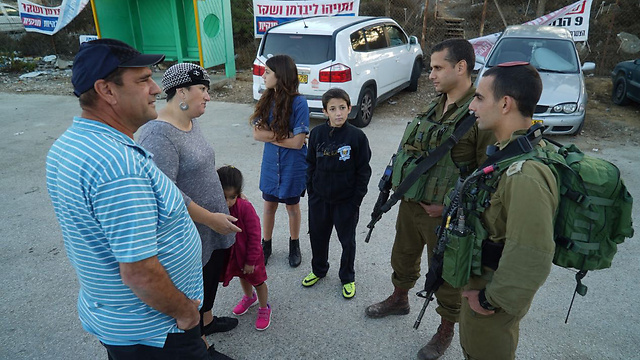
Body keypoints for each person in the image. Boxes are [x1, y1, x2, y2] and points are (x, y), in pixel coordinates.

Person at [45, 39, 212, 359]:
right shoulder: (116, 165)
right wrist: (187, 315)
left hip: (120, 322)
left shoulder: (69, 144)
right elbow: (139, 271)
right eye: (142, 80)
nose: (155, 88)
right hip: (157, 332)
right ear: (107, 90)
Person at [364, 38, 495, 360]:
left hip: (447, 215)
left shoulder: (478, 113)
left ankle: (445, 329)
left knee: (449, 274)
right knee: (403, 255)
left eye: (438, 67)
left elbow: (486, 174)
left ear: (461, 67)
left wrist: (451, 206)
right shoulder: (433, 105)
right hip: (412, 203)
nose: (431, 75)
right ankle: (400, 298)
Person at [456, 62, 558, 360]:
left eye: (478, 98)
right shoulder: (508, 153)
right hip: (482, 284)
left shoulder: (525, 173)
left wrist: (489, 301)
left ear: (504, 103)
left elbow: (533, 253)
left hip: (492, 298)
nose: (472, 106)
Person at [137, 63, 241, 351]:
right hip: (192, 230)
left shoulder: (191, 120)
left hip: (211, 224)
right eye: (203, 90)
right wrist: (209, 219)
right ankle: (202, 345)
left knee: (210, 279)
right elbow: (166, 193)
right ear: (181, 92)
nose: (208, 96)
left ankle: (206, 320)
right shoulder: (158, 134)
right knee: (193, 288)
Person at [301, 88, 372, 299]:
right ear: (325, 112)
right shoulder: (316, 134)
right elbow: (310, 163)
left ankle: (347, 276)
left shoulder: (357, 137)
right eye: (333, 109)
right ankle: (318, 269)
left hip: (346, 202)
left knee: (347, 241)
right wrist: (312, 190)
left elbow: (364, 171)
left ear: (350, 109)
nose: (338, 113)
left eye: (342, 108)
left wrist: (356, 200)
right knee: (318, 236)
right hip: (320, 199)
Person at [251, 54, 310, 268]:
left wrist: (273, 136)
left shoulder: (299, 102)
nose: (264, 75)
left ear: (280, 75)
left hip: (293, 165)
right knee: (269, 206)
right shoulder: (266, 99)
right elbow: (257, 135)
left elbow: (297, 144)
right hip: (270, 164)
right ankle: (266, 245)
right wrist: (286, 137)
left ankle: (294, 244)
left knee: (292, 207)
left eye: (268, 72)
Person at [217, 166, 272, 331]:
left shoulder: (245, 208)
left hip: (251, 255)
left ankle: (264, 307)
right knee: (241, 276)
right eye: (223, 196)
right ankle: (249, 297)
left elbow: (255, 237)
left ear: (239, 193)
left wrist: (251, 261)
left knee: (258, 281)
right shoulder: (219, 208)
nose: (227, 202)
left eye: (232, 197)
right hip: (235, 255)